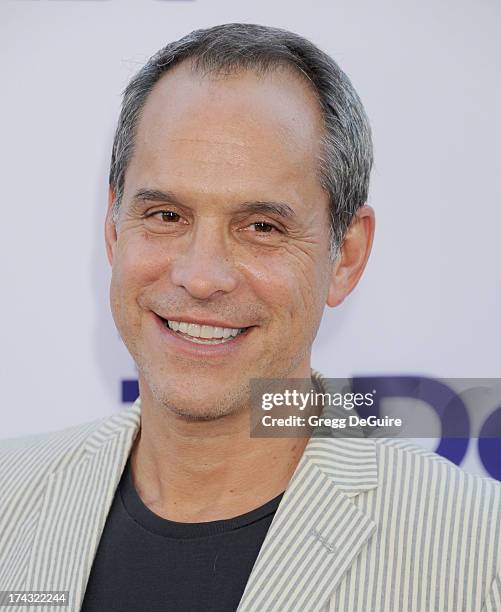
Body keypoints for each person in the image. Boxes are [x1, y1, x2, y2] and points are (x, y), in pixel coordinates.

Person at [1, 23, 500, 612]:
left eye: (262, 227)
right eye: (165, 215)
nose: (201, 275)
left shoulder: (478, 553)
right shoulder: (11, 495)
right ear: (114, 229)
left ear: (347, 254)